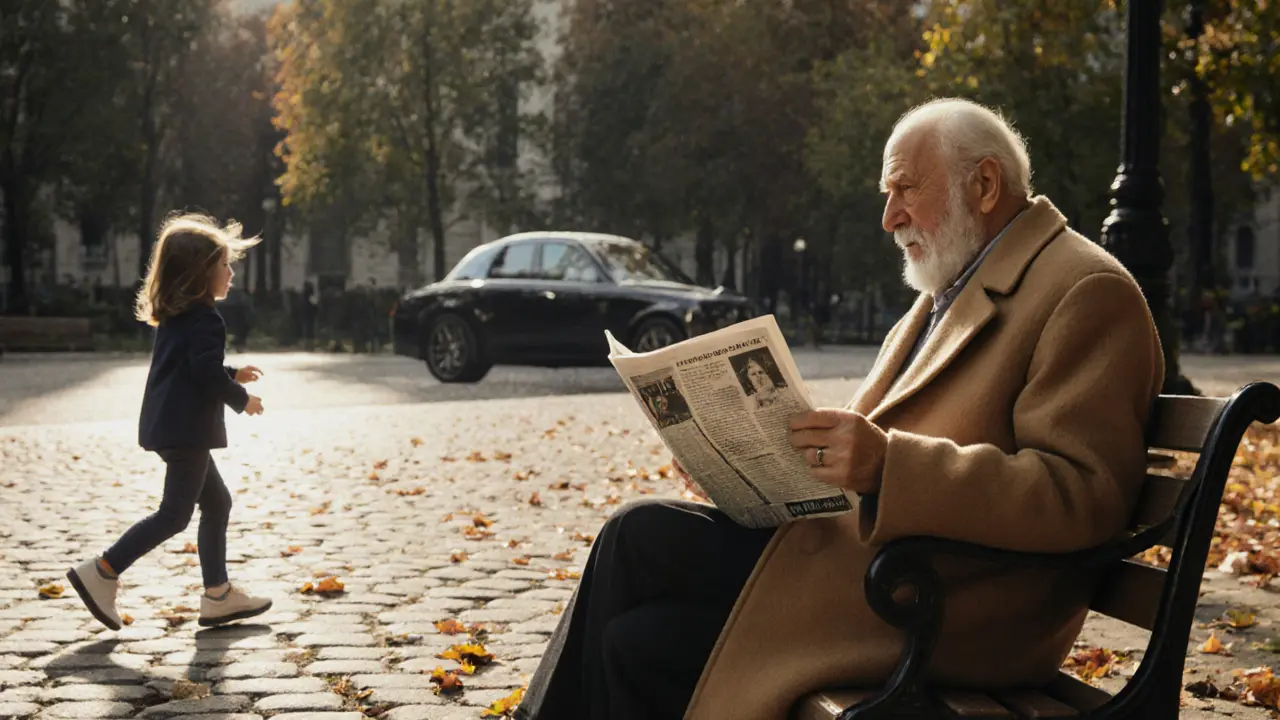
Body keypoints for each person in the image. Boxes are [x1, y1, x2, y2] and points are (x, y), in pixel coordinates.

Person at [513, 97, 1165, 720]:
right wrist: (740, 465)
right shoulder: (951, 288)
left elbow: (1083, 497)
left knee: (641, 623)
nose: (889, 216)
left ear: (985, 185)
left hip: (944, 604)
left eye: (905, 189)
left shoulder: (1086, 290)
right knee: (637, 552)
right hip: (870, 571)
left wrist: (891, 466)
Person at [66, 213, 274, 632]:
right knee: (174, 514)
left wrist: (230, 372)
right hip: (188, 431)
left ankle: (218, 595)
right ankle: (103, 570)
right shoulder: (208, 320)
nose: (231, 273)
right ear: (200, 274)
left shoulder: (179, 316)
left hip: (169, 426)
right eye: (224, 265)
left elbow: (191, 366)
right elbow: (202, 372)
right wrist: (240, 398)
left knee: (217, 503)